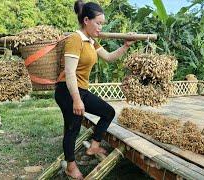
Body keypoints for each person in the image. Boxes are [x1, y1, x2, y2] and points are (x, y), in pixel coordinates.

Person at [55, 0, 135, 179]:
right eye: (98, 23)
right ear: (86, 20)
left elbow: (108, 57)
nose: (100, 28)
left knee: (108, 112)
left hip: (80, 89)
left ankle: (94, 145)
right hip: (67, 90)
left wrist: (125, 46)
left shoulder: (91, 41)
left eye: (102, 24)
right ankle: (71, 165)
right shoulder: (75, 39)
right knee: (72, 128)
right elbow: (69, 73)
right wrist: (76, 99)